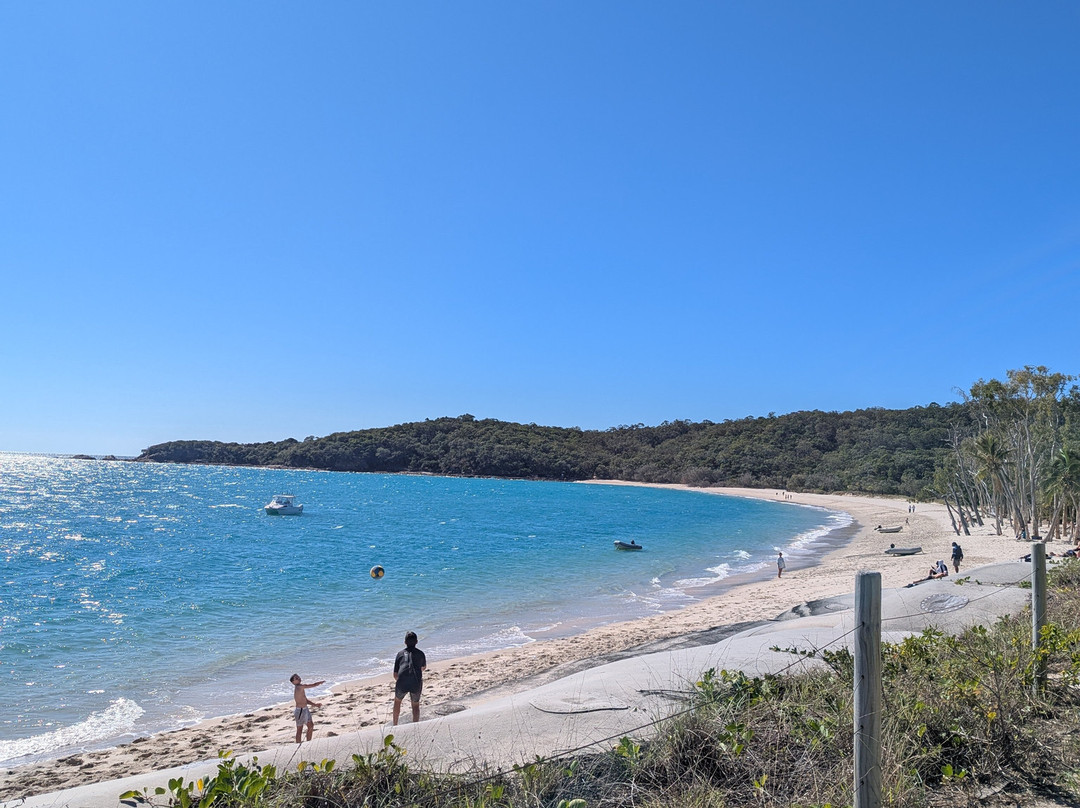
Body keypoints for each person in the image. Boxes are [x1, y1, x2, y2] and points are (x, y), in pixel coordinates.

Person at [392, 631, 428, 726]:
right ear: (416, 642)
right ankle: (415, 725)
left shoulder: (400, 654)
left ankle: (395, 724)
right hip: (415, 681)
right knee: (415, 704)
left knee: (397, 701)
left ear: (405, 642)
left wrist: (401, 681)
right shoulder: (420, 653)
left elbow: (395, 674)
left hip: (402, 681)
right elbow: (423, 667)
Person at [290, 673, 325, 743]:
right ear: (293, 682)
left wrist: (315, 704)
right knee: (300, 729)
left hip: (305, 709)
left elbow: (305, 700)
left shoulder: (301, 688)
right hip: (300, 711)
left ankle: (308, 742)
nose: (299, 678)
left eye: (298, 677)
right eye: (296, 678)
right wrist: (319, 683)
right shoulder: (299, 687)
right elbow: (312, 685)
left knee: (311, 726)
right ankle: (297, 745)